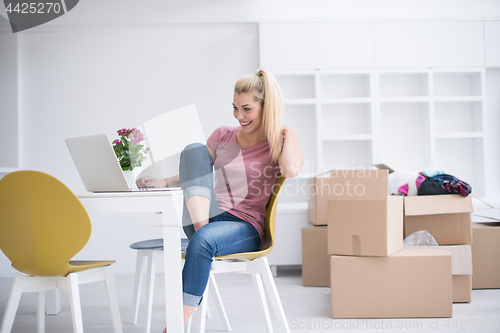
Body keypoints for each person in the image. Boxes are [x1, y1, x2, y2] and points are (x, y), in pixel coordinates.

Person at [136, 69, 303, 331]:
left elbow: (291, 170)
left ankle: (174, 327)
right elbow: (196, 169)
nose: (239, 116)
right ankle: (204, 234)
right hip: (203, 216)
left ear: (266, 106)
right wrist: (163, 182)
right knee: (194, 150)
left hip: (244, 226)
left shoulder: (277, 141)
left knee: (203, 242)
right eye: (235, 108)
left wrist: (289, 131)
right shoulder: (224, 134)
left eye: (246, 109)